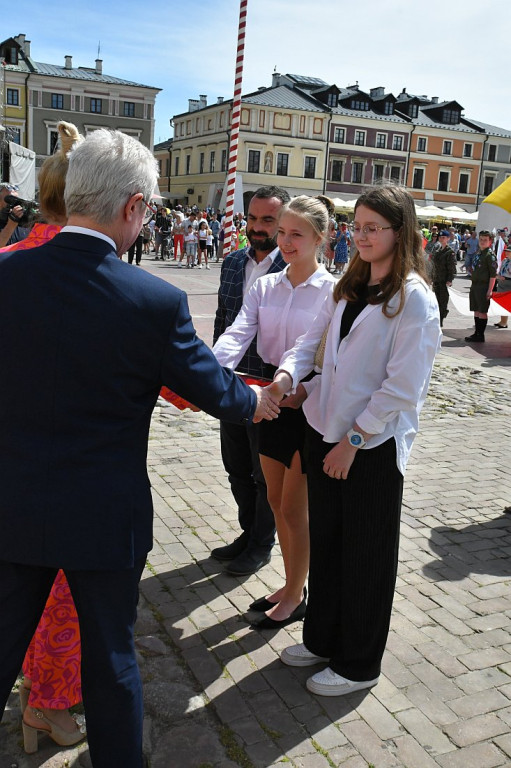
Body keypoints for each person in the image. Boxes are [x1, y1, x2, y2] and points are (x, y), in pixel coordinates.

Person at [0, 128, 280, 768]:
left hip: (12, 499)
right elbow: (212, 388)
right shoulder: (154, 301)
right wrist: (255, 401)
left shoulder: (6, 272)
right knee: (113, 660)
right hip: (105, 514)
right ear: (133, 207)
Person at [269, 184, 440, 696]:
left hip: (371, 447)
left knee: (366, 555)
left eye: (373, 228)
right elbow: (313, 344)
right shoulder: (351, 281)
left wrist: (355, 441)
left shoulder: (415, 299)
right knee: (329, 544)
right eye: (357, 226)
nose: (361, 236)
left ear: (399, 232)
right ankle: (322, 638)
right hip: (326, 429)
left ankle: (358, 664)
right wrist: (289, 379)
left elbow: (402, 388)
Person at [0, 121, 87, 754]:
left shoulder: (11, 262)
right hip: (77, 479)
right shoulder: (101, 276)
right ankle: (49, 705)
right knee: (63, 599)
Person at [214, 196, 336, 628]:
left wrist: (306, 389)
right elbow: (238, 332)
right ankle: (290, 584)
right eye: (281, 232)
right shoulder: (265, 285)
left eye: (295, 234)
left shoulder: (333, 292)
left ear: (320, 238)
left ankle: (296, 594)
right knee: (272, 497)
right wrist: (211, 370)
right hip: (269, 394)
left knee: (291, 507)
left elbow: (332, 359)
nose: (285, 242)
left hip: (308, 403)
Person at [211, 186, 289, 576]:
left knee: (265, 474)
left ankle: (262, 544)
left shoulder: (292, 271)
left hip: (272, 390)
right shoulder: (232, 263)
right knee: (236, 466)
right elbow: (223, 321)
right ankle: (248, 533)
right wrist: (212, 376)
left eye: (267, 220)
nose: (256, 228)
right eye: (252, 219)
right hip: (232, 384)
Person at [464, 230, 497, 343]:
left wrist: (490, 290)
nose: (482, 242)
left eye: (485, 240)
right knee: (476, 310)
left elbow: (493, 275)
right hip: (475, 285)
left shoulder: (490, 255)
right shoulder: (479, 253)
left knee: (482, 311)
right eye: (481, 239)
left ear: (490, 242)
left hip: (484, 286)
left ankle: (480, 335)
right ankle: (476, 333)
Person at [429, 230, 457, 327]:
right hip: (437, 280)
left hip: (444, 281)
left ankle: (440, 321)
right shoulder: (437, 251)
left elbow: (452, 268)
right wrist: (431, 277)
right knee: (436, 301)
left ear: (448, 239)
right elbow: (434, 266)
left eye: (444, 237)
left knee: (443, 302)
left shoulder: (450, 252)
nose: (441, 239)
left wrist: (450, 279)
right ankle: (437, 320)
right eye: (440, 237)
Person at [0, 182, 27, 247]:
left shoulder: (23, 222)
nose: (15, 204)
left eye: (16, 200)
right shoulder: (14, 220)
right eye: (10, 200)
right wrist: (11, 224)